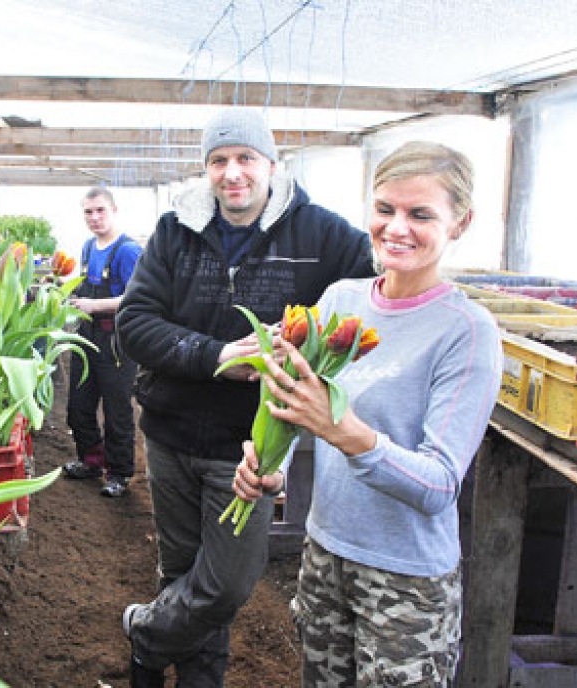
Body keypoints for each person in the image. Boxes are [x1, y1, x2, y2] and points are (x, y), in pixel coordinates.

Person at [115, 107, 375, 687]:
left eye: (245, 158)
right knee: (181, 572)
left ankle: (145, 638)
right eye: (218, 160)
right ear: (206, 169)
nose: (232, 173)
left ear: (272, 165)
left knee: (226, 584)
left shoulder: (322, 235)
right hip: (170, 432)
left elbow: (378, 284)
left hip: (251, 446)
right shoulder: (175, 231)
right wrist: (216, 356)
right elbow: (134, 322)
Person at [233, 141, 503, 686]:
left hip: (405, 581)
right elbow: (304, 414)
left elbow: (438, 484)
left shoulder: (466, 331)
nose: (396, 228)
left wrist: (347, 432)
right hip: (324, 554)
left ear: (460, 222)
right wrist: (272, 467)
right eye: (385, 209)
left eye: (420, 214)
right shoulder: (341, 301)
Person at [64, 187, 143, 498]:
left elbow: (137, 297)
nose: (94, 217)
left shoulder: (128, 251)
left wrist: (94, 305)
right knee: (79, 405)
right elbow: (85, 285)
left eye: (100, 210)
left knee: (117, 409)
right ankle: (91, 460)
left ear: (114, 211)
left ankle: (120, 473)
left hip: (115, 342)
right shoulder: (88, 247)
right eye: (88, 212)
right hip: (86, 335)